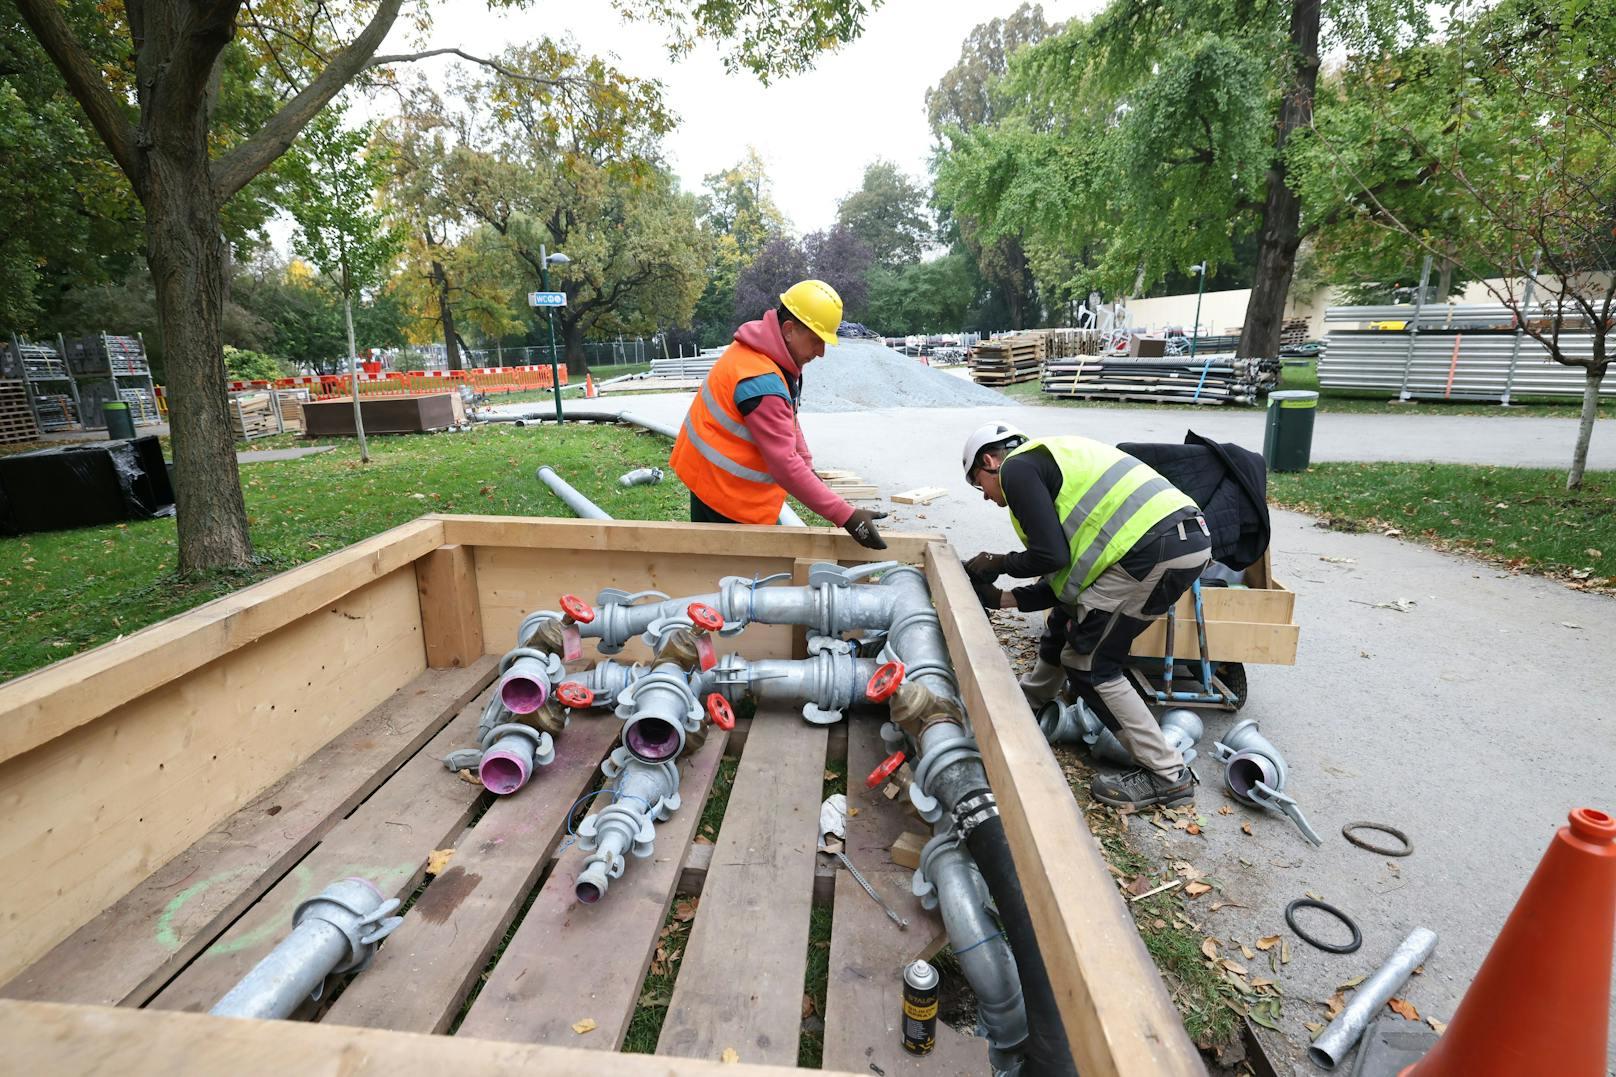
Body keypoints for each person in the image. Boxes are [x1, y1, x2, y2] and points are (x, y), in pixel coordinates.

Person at [961, 421, 1211, 808]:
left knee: (1091, 663)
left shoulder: (1017, 469)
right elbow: (1066, 580)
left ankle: (1168, 775)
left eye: (979, 484)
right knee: (1066, 620)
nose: (985, 497)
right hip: (1178, 540)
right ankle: (1030, 703)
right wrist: (1001, 598)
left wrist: (1000, 562)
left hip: (1152, 547)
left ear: (990, 460)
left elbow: (1051, 557)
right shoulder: (1051, 469)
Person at [669, 279, 888, 549]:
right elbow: (785, 465)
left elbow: (788, 418)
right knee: (744, 584)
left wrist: (807, 465)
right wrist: (847, 516)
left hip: (711, 478)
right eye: (816, 341)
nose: (820, 353)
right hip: (726, 494)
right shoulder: (762, 381)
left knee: (723, 573)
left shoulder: (763, 354)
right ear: (788, 330)